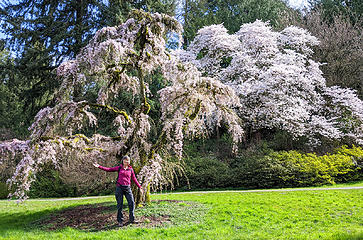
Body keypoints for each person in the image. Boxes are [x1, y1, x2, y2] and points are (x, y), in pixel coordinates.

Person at [93, 155, 143, 227]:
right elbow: (109, 169)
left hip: (127, 188)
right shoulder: (119, 168)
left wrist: (140, 187)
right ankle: (120, 221)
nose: (127, 162)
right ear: (123, 161)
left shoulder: (130, 170)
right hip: (119, 188)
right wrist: (99, 166)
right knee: (120, 205)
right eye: (125, 160)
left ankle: (132, 219)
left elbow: (134, 179)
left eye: (128, 160)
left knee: (131, 203)